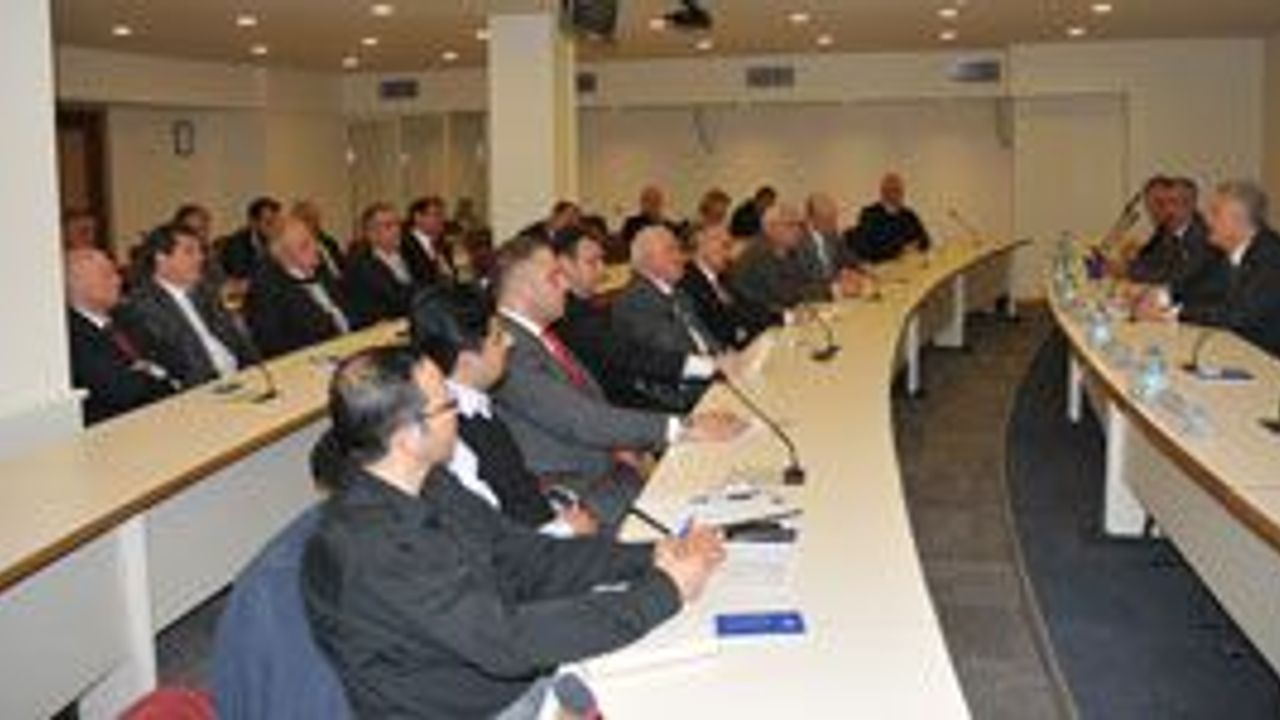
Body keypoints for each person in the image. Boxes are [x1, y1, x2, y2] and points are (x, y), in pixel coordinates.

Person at [302, 345, 725, 719]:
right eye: (447, 404)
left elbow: (529, 559)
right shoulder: (369, 548)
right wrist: (663, 593)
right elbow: (506, 642)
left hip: (511, 682)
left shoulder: (430, 483)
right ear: (407, 435)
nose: (458, 412)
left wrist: (651, 556)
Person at [490, 235, 746, 524]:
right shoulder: (506, 347)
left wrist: (621, 445)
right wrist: (682, 427)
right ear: (524, 287)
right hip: (579, 494)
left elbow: (589, 401)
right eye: (554, 276)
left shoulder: (538, 336)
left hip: (605, 470)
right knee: (708, 512)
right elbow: (581, 419)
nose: (565, 285)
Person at [410, 286, 598, 537]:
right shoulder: (451, 436)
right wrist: (567, 529)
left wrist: (559, 506)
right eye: (497, 337)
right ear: (467, 360)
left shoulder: (475, 404)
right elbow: (492, 536)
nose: (510, 342)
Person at [552, 227, 720, 413]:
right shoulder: (568, 314)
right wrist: (708, 366)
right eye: (592, 262)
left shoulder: (584, 306)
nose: (602, 270)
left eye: (602, 260)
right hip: (625, 406)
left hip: (634, 394)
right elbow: (628, 356)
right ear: (565, 265)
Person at [1138, 180, 1280, 357]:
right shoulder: (1222, 254)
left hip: (1267, 360)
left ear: (1238, 219)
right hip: (1235, 349)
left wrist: (1170, 314)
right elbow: (1199, 286)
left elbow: (1237, 314)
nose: (1207, 219)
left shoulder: (1271, 255)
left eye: (1215, 212)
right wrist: (1161, 297)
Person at [121, 223, 256, 388]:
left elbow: (238, 342)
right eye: (189, 251)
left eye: (200, 251)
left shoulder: (206, 290)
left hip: (241, 378)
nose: (200, 258)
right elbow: (179, 363)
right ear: (161, 259)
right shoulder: (143, 306)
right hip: (203, 388)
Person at [65, 247, 174, 424]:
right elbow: (125, 391)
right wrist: (156, 372)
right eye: (106, 275)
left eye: (116, 273)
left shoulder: (126, 315)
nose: (118, 280)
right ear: (78, 284)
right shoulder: (72, 335)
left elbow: (171, 358)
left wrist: (147, 369)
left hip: (163, 411)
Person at [244, 216, 351, 359]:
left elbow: (348, 309)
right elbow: (274, 348)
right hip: (314, 359)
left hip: (349, 346)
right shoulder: (267, 290)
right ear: (283, 255)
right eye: (304, 246)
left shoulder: (321, 270)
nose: (315, 248)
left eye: (314, 240)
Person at [729, 203, 857, 312]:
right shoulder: (759, 253)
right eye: (790, 225)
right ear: (770, 228)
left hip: (782, 314)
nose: (797, 231)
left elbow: (806, 281)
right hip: (760, 322)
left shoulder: (789, 251)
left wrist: (837, 282)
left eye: (799, 225)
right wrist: (833, 290)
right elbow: (785, 295)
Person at [679, 223, 779, 349]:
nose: (728, 254)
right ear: (702, 244)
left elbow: (746, 307)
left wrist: (782, 318)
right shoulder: (688, 282)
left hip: (745, 343)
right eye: (724, 245)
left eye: (729, 246)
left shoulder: (722, 277)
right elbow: (716, 328)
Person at [345, 202, 416, 327]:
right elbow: (390, 304)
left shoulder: (410, 254)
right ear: (371, 234)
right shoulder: (362, 267)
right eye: (388, 226)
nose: (397, 230)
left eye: (397, 224)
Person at [849, 173, 931, 262]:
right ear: (883, 193)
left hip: (907, 262)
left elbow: (925, 240)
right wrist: (899, 250)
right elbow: (868, 249)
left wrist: (916, 246)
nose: (897, 195)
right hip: (881, 264)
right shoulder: (870, 215)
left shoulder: (908, 215)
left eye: (899, 191)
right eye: (893, 190)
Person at [220, 196, 283, 281]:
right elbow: (240, 274)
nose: (274, 226)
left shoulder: (283, 238)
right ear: (253, 223)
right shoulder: (237, 244)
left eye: (277, 220)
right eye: (268, 222)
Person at [402, 195, 456, 288]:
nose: (441, 220)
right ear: (418, 217)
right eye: (436, 215)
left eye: (442, 215)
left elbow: (459, 275)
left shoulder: (444, 244)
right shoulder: (406, 245)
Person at [291, 199, 347, 280]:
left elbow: (343, 265)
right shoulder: (295, 248)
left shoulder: (328, 241)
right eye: (307, 219)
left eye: (315, 219)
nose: (313, 223)